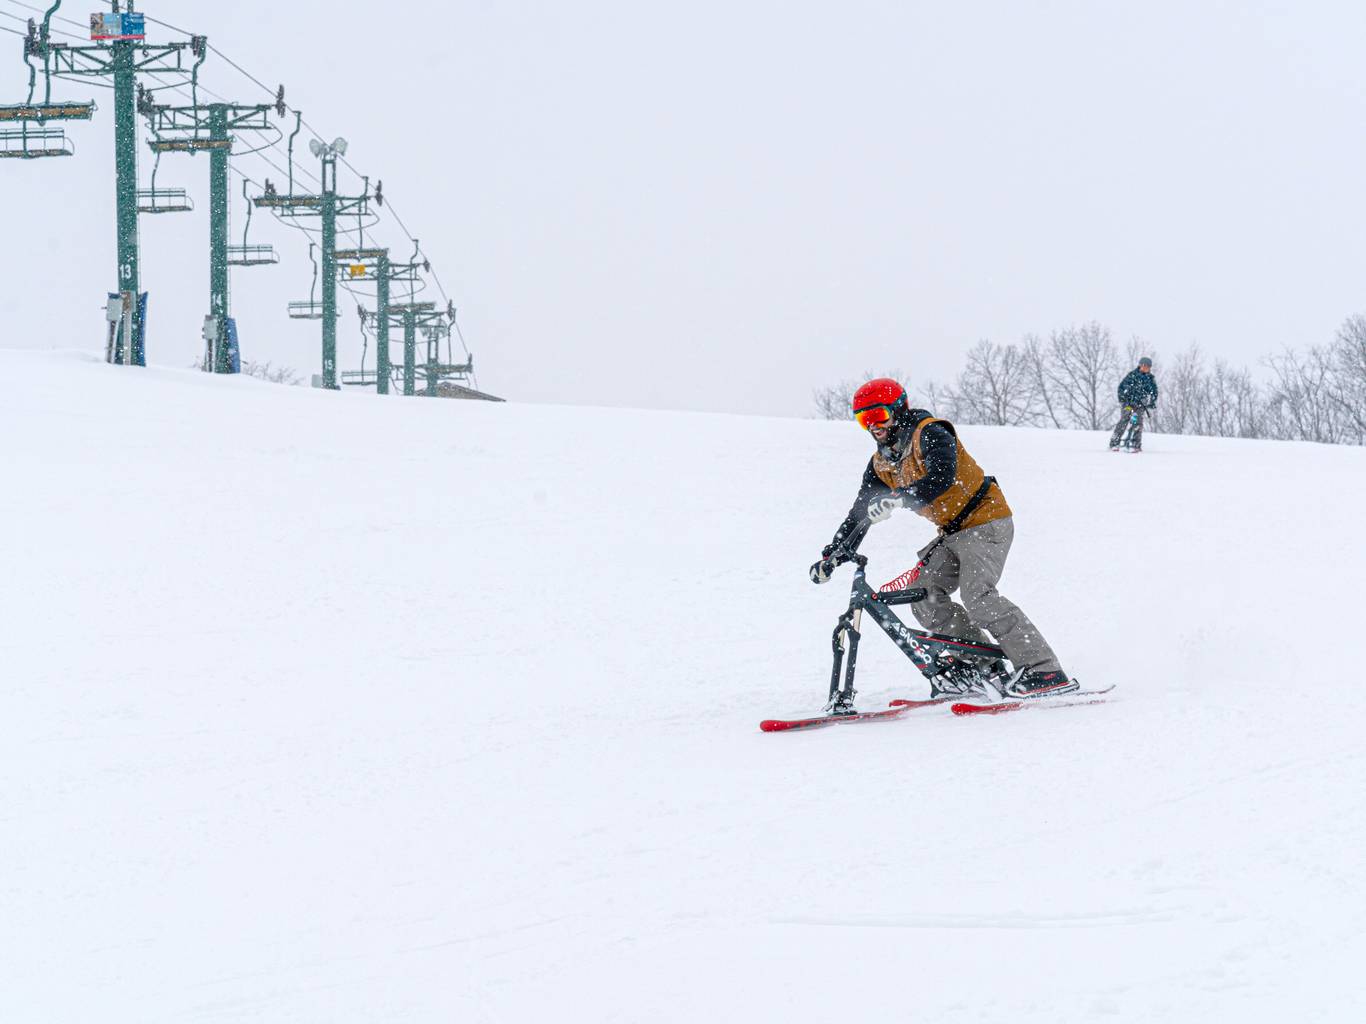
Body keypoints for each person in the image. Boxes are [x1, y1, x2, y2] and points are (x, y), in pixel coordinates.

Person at [808, 378, 1073, 699]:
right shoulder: (881, 462)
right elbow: (859, 512)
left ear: (898, 410)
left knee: (979, 597)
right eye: (864, 420)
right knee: (924, 597)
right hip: (951, 532)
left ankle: (1044, 671)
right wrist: (833, 554)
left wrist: (899, 497)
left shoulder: (930, 432)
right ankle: (983, 668)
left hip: (985, 519)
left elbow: (941, 477)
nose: (873, 426)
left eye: (878, 415)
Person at [1108, 357, 1158, 451]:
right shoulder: (1132, 375)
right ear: (1140, 365)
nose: (1145, 368)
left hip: (1140, 404)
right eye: (1144, 366)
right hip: (1128, 404)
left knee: (1138, 422)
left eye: (1147, 367)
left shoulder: (1150, 379)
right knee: (1125, 418)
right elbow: (1121, 388)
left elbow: (1154, 392)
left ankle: (1135, 444)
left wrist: (1152, 402)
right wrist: (1123, 399)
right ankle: (1114, 442)